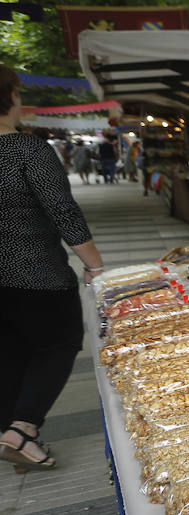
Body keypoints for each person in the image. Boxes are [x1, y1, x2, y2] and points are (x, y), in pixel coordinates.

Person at [0, 65, 104, 471]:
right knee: (59, 343)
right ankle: (22, 428)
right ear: (9, 96)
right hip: (38, 274)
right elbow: (62, 210)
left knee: (9, 352)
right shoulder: (27, 149)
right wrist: (94, 265)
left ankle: (17, 435)